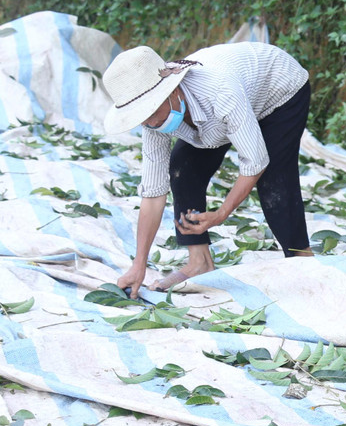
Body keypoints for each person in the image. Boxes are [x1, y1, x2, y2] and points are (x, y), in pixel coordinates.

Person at [101, 42, 314, 299]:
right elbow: (153, 194)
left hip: (278, 89)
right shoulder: (153, 122)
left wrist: (222, 213)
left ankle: (302, 260)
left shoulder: (220, 91)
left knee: (274, 181)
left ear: (174, 90)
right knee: (182, 166)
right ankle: (199, 261)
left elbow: (255, 161)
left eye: (153, 110)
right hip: (225, 113)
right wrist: (139, 265)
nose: (152, 122)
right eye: (142, 117)